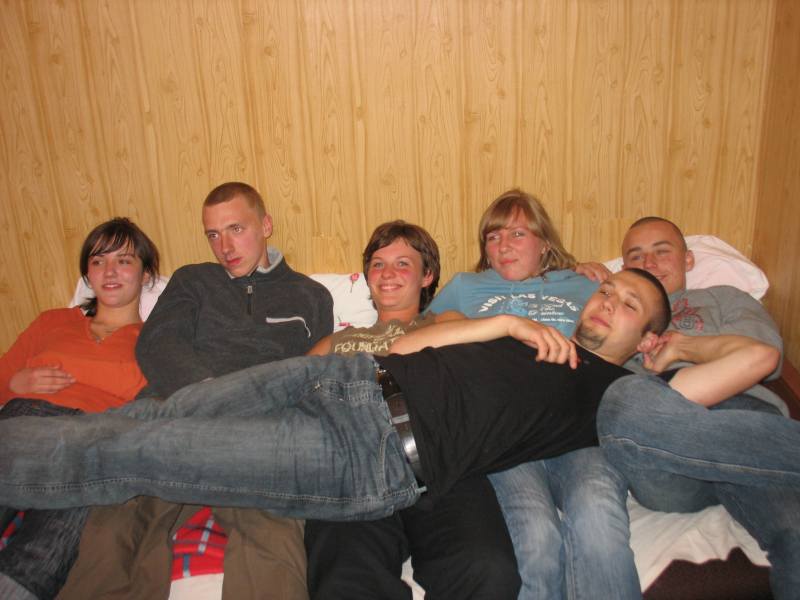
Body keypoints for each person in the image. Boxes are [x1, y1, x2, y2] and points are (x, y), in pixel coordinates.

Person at [1, 269, 794, 531]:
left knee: (136, 453)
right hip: (342, 379)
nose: (607, 302)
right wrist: (501, 325)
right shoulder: (528, 332)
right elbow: (408, 345)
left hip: (370, 455)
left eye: (629, 307)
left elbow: (761, 357)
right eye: (609, 289)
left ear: (646, 335)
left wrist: (675, 350)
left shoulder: (624, 393)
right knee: (153, 415)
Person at [58, 182, 333, 600]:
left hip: (256, 428)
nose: (225, 247)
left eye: (236, 229)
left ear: (266, 225)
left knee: (271, 529)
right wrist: (210, 394)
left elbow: (312, 374)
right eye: (213, 235)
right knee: (117, 520)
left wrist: (253, 408)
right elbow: (157, 343)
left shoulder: (311, 296)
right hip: (173, 410)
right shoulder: (192, 280)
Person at [427, 189, 638, 599]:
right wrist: (452, 321)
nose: (503, 246)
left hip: (577, 426)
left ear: (544, 243)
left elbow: (630, 322)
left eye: (518, 234)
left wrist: (591, 273)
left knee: (598, 514)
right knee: (536, 535)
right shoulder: (466, 286)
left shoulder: (585, 284)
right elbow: (427, 332)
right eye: (493, 237)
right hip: (506, 433)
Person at [304, 220, 521, 599]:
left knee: (489, 571)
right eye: (378, 264)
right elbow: (292, 394)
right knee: (345, 582)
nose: (387, 273)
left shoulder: (447, 323)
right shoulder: (335, 343)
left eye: (403, 263)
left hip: (442, 466)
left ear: (427, 276)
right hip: (356, 471)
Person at [597, 216, 800, 599]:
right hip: (662, 450)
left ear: (688, 259)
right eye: (636, 256)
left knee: (796, 535)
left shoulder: (724, 298)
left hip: (746, 424)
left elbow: (764, 356)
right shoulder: (616, 313)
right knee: (623, 401)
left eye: (662, 252)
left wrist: (683, 346)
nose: (649, 263)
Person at [0, 217, 160, 600]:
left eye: (124, 261)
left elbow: (154, 414)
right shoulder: (53, 321)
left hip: (92, 439)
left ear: (146, 274)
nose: (109, 271)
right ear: (87, 274)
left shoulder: (156, 343)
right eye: (98, 261)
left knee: (49, 541)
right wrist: (14, 384)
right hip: (26, 420)